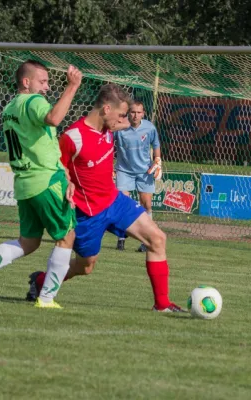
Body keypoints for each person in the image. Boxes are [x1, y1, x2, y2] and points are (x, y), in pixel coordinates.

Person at [25, 85, 185, 312]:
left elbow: (131, 123)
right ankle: (40, 282)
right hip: (87, 213)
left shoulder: (110, 128)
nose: (125, 119)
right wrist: (66, 184)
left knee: (157, 239)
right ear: (106, 109)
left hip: (114, 201)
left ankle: (162, 304)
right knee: (86, 267)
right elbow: (56, 169)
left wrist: (129, 121)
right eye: (121, 114)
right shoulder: (73, 137)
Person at [0, 60, 82, 309]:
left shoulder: (10, 107)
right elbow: (54, 118)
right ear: (27, 82)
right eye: (42, 81)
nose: (46, 88)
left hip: (25, 183)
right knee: (67, 237)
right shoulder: (33, 102)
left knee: (29, 242)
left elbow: (39, 142)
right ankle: (46, 299)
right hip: (46, 181)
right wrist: (72, 86)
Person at [113, 101, 162, 252]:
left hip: (144, 171)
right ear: (128, 113)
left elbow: (156, 145)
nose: (135, 115)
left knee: (146, 204)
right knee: (123, 203)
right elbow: (109, 144)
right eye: (133, 112)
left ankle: (147, 240)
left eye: (138, 112)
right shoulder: (120, 128)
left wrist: (157, 161)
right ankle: (121, 238)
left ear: (143, 113)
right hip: (124, 170)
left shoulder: (149, 127)